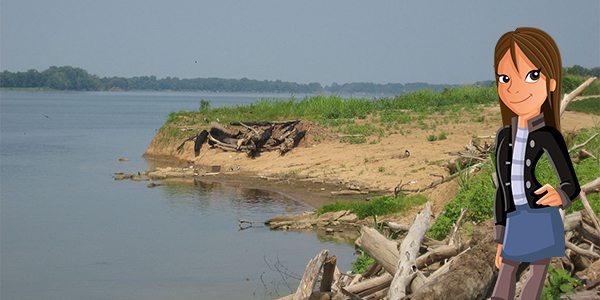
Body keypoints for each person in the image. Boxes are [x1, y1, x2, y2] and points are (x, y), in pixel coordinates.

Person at [490, 27, 580, 300]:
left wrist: (561, 194)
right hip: (515, 218)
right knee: (505, 274)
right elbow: (502, 190)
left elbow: (570, 182)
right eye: (505, 78)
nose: (515, 89)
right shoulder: (504, 136)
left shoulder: (548, 134)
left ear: (551, 83)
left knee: (536, 277)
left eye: (530, 76)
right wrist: (500, 236)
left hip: (541, 216)